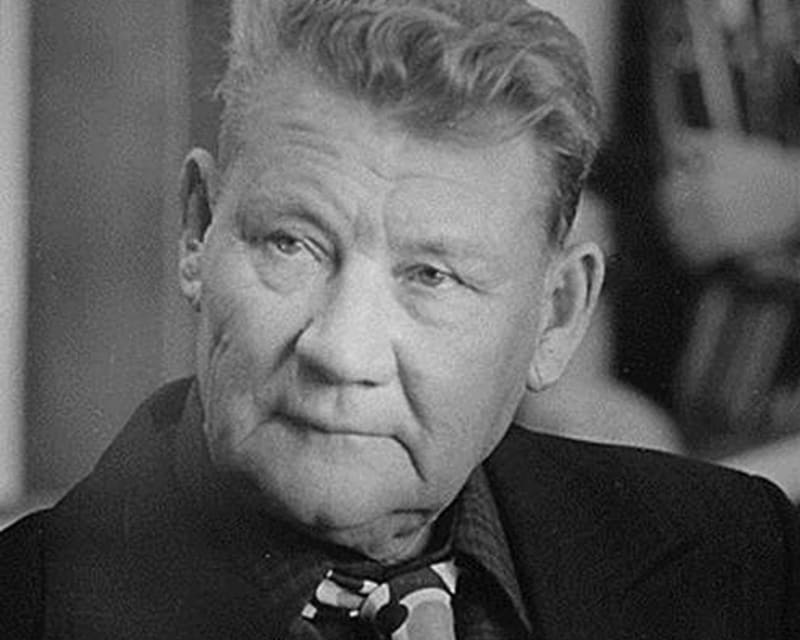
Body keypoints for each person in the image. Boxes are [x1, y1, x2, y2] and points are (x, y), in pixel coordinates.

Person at [1, 1, 798, 638]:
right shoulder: (28, 607)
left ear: (556, 317)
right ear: (197, 231)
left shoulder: (743, 561)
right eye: (292, 244)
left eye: (431, 276)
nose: (343, 352)